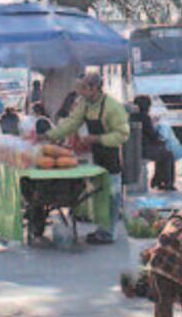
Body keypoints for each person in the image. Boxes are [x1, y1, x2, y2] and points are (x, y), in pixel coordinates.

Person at [45, 72, 130, 245]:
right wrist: (49, 135)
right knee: (99, 195)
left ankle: (110, 232)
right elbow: (72, 122)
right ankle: (101, 230)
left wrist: (97, 139)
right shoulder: (84, 104)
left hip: (111, 156)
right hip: (97, 156)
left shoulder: (113, 107)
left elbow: (122, 134)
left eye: (83, 88)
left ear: (94, 89)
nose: (80, 91)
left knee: (112, 195)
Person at [133, 95, 175, 191]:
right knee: (168, 154)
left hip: (135, 149)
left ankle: (157, 179)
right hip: (143, 150)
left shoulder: (132, 116)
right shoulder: (144, 117)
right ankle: (167, 182)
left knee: (162, 151)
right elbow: (153, 136)